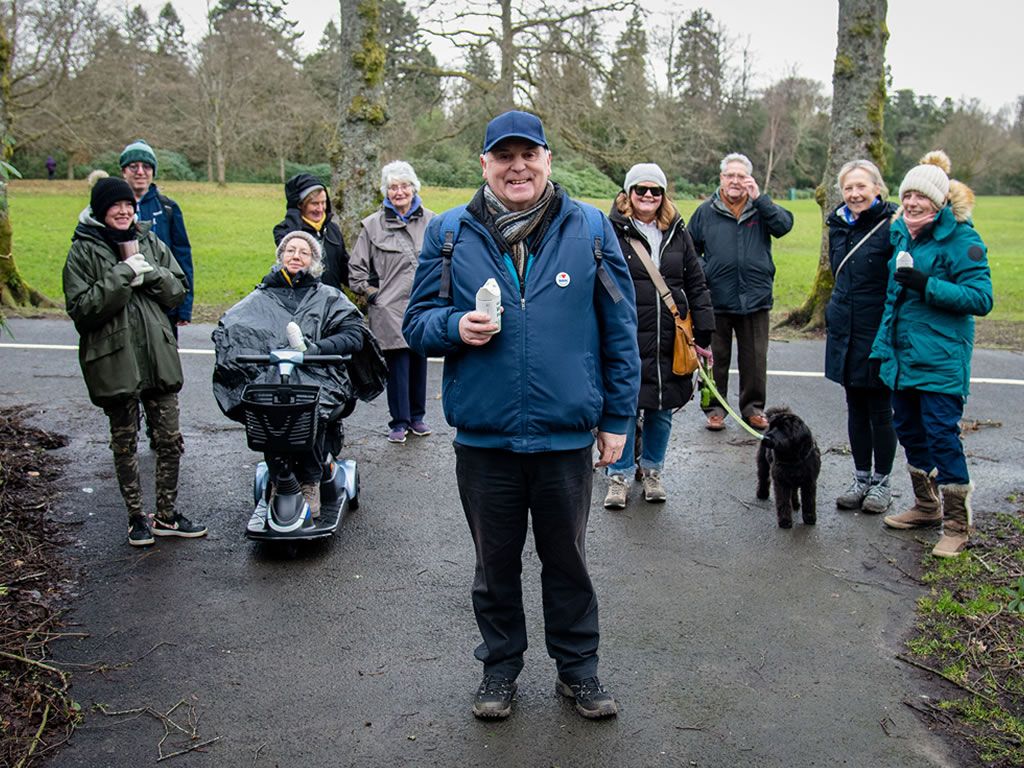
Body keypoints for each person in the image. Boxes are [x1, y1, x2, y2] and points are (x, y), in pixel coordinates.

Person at [403, 110, 639, 721]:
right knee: (494, 565)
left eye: (528, 154)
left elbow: (620, 332)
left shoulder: (590, 228)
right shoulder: (450, 233)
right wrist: (455, 325)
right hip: (485, 436)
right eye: (503, 156)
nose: (517, 167)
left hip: (564, 436)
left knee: (569, 562)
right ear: (484, 164)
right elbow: (415, 324)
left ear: (547, 160)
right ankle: (500, 669)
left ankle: (578, 671)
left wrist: (618, 420)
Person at [62, 177, 206, 546]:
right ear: (100, 210)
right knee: (124, 443)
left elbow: (177, 290)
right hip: (114, 360)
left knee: (170, 439)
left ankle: (167, 515)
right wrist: (123, 275)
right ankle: (136, 518)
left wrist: (150, 273)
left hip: (157, 356)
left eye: (128, 205)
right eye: (116, 206)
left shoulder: (149, 241)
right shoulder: (83, 251)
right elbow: (82, 309)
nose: (125, 211)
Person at [872, 151, 993, 558]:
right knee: (907, 428)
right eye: (906, 195)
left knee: (942, 434)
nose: (910, 203)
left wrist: (927, 284)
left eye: (920, 197)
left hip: (941, 359)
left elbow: (981, 298)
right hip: (902, 357)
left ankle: (957, 525)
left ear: (939, 201)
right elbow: (893, 298)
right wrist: (882, 348)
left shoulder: (963, 240)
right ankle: (926, 505)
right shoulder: (902, 233)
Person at [212, 231, 366, 516]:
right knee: (266, 406)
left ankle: (310, 481)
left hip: (321, 378)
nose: (296, 255)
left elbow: (355, 333)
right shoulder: (260, 297)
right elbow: (231, 327)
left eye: (304, 252)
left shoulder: (328, 297)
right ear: (281, 256)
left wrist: (316, 349)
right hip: (273, 378)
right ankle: (279, 475)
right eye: (290, 250)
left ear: (314, 262)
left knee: (310, 409)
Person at [603, 163, 715, 509]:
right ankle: (618, 475)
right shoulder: (612, 231)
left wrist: (704, 333)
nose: (648, 196)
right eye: (641, 190)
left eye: (655, 190)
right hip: (626, 332)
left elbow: (696, 282)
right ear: (628, 193)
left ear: (663, 195)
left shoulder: (678, 232)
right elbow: (600, 278)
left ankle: (652, 471)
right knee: (624, 403)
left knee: (662, 406)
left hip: (670, 335)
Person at [688, 153, 793, 432]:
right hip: (716, 298)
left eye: (741, 176)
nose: (735, 181)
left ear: (749, 179)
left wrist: (761, 199)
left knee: (755, 359)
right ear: (721, 178)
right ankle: (714, 410)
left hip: (755, 297)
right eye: (729, 175)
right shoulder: (705, 211)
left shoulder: (761, 208)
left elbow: (784, 226)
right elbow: (689, 250)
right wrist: (706, 270)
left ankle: (753, 409)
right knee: (714, 359)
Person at [825, 160, 899, 514]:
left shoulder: (892, 225)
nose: (854, 194)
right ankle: (860, 478)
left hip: (878, 326)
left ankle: (882, 483)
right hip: (845, 327)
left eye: (861, 187)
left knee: (880, 410)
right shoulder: (837, 225)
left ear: (877, 189)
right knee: (854, 405)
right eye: (848, 188)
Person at [349, 161, 435, 444]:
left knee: (419, 361)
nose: (399, 192)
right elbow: (356, 270)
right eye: (393, 187)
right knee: (397, 366)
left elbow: (444, 262)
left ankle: (417, 417)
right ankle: (399, 421)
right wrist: (374, 295)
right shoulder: (372, 226)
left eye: (404, 186)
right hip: (389, 308)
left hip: (422, 305)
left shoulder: (432, 221)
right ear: (386, 191)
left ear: (414, 188)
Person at [120, 140, 194, 335]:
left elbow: (182, 256)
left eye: (146, 166)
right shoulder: (112, 208)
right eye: (133, 166)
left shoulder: (168, 208)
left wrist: (184, 305)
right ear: (123, 171)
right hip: (122, 300)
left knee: (163, 360)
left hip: (162, 300)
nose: (140, 172)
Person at [273, 173, 350, 290]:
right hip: (302, 302)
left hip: (332, 299)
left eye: (323, 202)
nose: (320, 209)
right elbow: (290, 268)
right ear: (300, 205)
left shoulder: (332, 229)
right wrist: (294, 217)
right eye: (314, 204)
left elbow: (345, 269)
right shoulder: (285, 231)